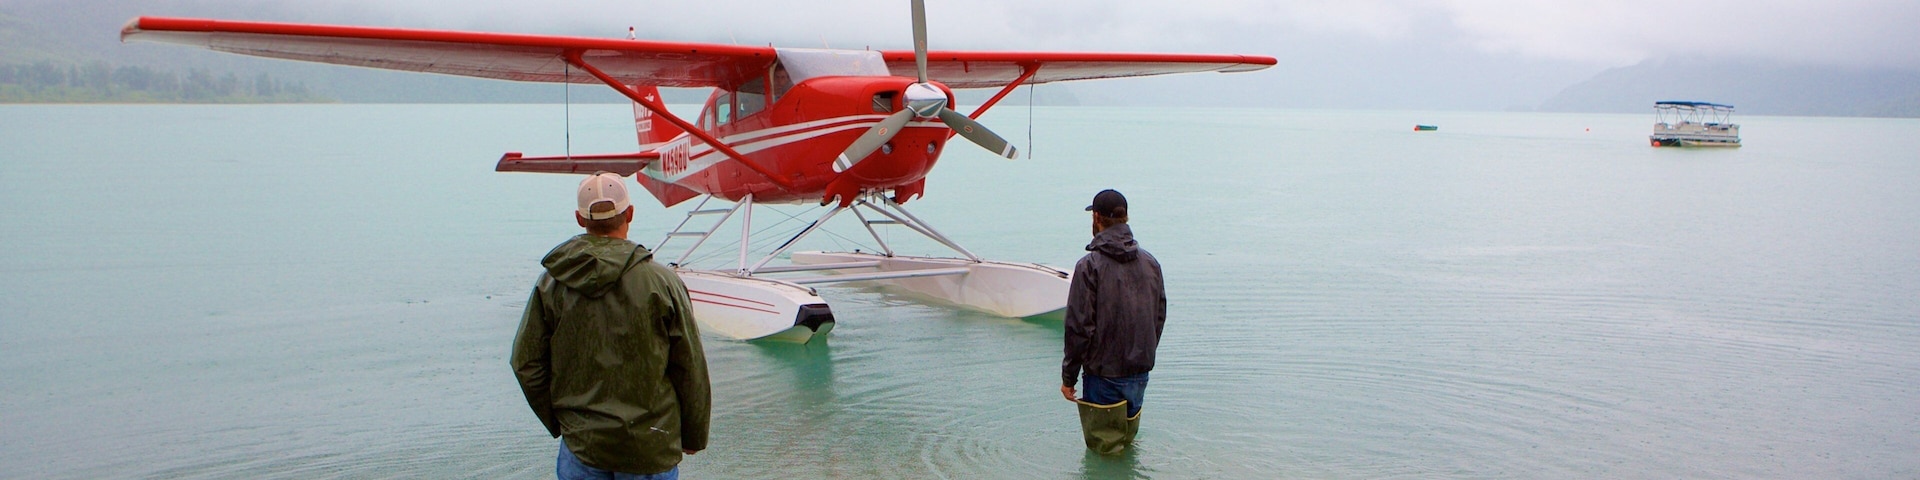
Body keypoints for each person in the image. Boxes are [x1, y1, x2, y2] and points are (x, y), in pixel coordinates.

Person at [512, 172, 711, 480]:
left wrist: (564, 422)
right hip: (649, 448)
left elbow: (526, 363)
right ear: (629, 213)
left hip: (583, 446)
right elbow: (690, 366)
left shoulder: (551, 284)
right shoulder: (663, 282)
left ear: (580, 218)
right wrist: (694, 435)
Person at [1059, 189, 1166, 454]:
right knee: (1126, 447)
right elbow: (1158, 316)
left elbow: (1079, 327)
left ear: (1096, 217)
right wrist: (1143, 354)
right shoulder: (1151, 263)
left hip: (1103, 375)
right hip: (1139, 373)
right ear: (1124, 218)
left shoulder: (1089, 266)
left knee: (1104, 452)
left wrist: (1069, 377)